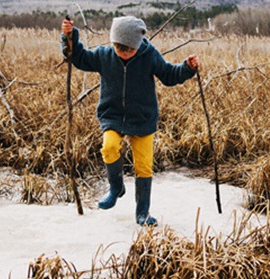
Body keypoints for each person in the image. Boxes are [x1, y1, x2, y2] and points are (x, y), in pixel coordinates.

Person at [61, 15, 199, 226]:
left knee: (143, 166)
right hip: (113, 116)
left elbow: (169, 75)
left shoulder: (149, 55)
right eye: (120, 50)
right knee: (109, 147)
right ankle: (116, 188)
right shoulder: (104, 55)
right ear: (113, 43)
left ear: (138, 45)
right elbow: (79, 58)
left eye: (130, 51)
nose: (125, 55)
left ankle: (142, 213)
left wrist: (187, 69)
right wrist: (70, 37)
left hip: (142, 119)